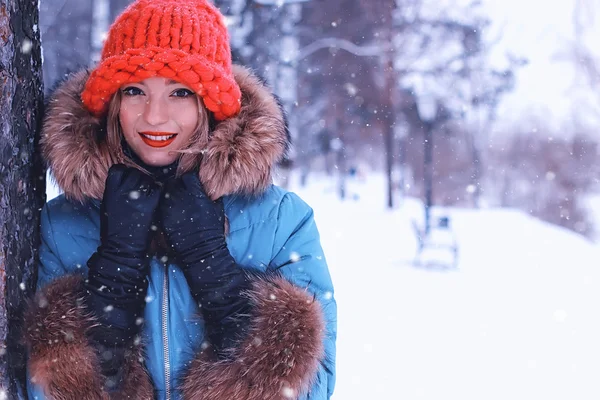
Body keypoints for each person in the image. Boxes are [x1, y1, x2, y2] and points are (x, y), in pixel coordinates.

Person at [23, 0, 336, 398]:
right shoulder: (61, 225)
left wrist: (219, 281)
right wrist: (114, 276)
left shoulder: (281, 222)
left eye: (180, 92)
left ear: (210, 103)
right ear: (113, 103)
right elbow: (40, 392)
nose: (154, 116)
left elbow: (314, 388)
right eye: (135, 90)